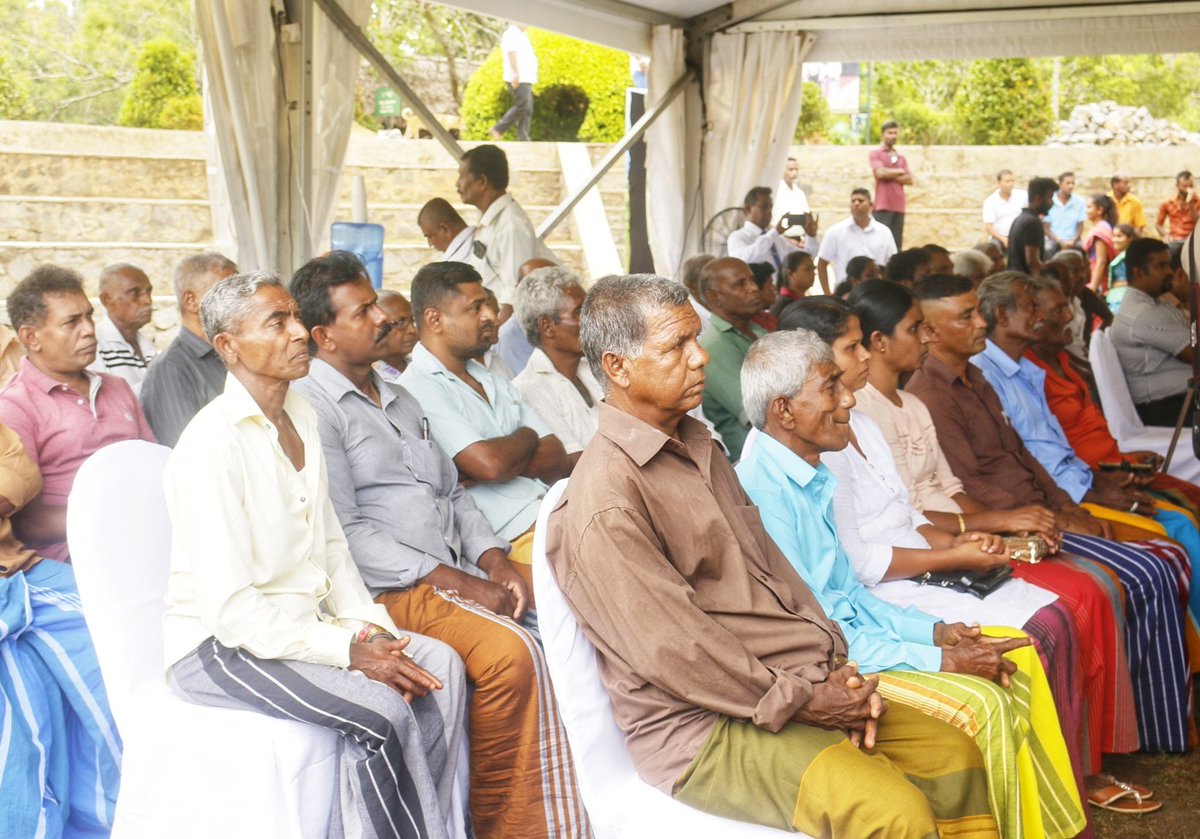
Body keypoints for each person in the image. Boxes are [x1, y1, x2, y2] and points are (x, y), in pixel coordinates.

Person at [548, 272, 999, 837]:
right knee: (889, 811)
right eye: (676, 347)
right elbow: (675, 652)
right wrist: (807, 699)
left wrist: (830, 665)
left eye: (696, 340)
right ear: (617, 366)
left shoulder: (699, 444)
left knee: (949, 753)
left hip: (786, 682)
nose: (700, 360)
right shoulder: (607, 499)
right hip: (703, 729)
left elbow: (774, 571)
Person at [737, 328, 1085, 839]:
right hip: (829, 668)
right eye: (831, 387)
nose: (850, 398)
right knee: (984, 704)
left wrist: (937, 632)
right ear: (784, 412)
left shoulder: (808, 473)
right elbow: (820, 636)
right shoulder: (764, 493)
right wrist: (940, 660)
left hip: (854, 641)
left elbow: (849, 597)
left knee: (1016, 667)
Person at [287, 253, 590, 839]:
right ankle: (509, 825)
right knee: (511, 655)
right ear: (323, 336)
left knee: (560, 632)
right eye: (364, 310)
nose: (381, 317)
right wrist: (455, 580)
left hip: (451, 570)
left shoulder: (399, 397)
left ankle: (564, 812)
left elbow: (454, 494)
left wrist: (495, 560)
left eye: (377, 303)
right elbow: (345, 531)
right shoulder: (314, 411)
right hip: (388, 591)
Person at [163, 270, 465, 839]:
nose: (300, 331)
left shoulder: (301, 413)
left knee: (440, 666)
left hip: (300, 627)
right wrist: (347, 651)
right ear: (227, 347)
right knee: (383, 711)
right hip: (220, 646)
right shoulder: (210, 447)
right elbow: (232, 611)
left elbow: (331, 547)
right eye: (277, 323)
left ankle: (431, 828)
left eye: (295, 317)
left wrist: (369, 630)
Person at [850, 278, 1156, 809]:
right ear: (879, 343)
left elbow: (945, 490)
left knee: (1074, 603)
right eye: (914, 328)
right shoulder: (864, 416)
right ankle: (1067, 775)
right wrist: (981, 535)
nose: (978, 326)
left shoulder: (898, 409)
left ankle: (1093, 755)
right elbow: (893, 531)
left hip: (936, 541)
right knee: (1061, 612)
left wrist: (987, 530)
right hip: (908, 566)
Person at [906, 274, 1195, 754]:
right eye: (967, 316)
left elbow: (1022, 452)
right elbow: (968, 485)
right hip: (1009, 521)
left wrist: (1063, 506)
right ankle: (1141, 728)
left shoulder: (974, 378)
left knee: (1161, 563)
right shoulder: (930, 394)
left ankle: (1155, 722)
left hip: (1038, 509)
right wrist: (1036, 519)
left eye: (980, 311)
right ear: (931, 333)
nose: (981, 324)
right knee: (1143, 571)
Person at [972, 271, 1200, 622]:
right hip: (1057, 499)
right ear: (1002, 315)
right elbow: (1027, 460)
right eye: (1032, 307)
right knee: (1168, 544)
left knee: (1178, 521)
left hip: (1077, 487)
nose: (1044, 317)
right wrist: (1083, 497)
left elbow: (1054, 453)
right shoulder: (987, 374)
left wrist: (1098, 482)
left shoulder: (1024, 369)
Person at [400, 262, 570, 564]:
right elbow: (490, 465)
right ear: (434, 319)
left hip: (554, 511)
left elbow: (555, 458)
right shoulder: (416, 388)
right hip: (509, 539)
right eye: (475, 308)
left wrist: (508, 453)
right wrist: (525, 439)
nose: (491, 316)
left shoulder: (490, 376)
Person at [0, 423, 123, 838]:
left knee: (118, 656)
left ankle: (124, 814)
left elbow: (19, 478)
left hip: (20, 571)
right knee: (23, 720)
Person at [0, 265, 155, 563]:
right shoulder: (14, 407)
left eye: (89, 316)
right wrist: (114, 517)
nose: (88, 329)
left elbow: (154, 461)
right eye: (71, 322)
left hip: (148, 533)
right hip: (77, 557)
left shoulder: (117, 387)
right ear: (31, 338)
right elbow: (25, 522)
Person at [140, 251, 237, 446]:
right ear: (191, 300)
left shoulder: (234, 352)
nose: (241, 301)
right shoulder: (170, 370)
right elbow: (187, 455)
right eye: (226, 293)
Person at [512, 267, 602, 464]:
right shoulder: (529, 390)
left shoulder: (598, 368)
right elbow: (577, 463)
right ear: (547, 326)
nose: (591, 319)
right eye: (579, 312)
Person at [457, 144, 555, 319]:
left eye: (462, 176)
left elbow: (515, 293)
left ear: (482, 182)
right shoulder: (492, 220)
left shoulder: (511, 224)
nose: (458, 184)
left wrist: (498, 336)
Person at [1111, 237, 1194, 427]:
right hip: (1166, 408)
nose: (1169, 272)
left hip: (1181, 400)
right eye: (1161, 266)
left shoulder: (1156, 303)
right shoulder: (1142, 314)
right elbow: (1195, 354)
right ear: (1138, 273)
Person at [698, 257, 767, 461]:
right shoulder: (714, 347)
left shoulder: (757, 330)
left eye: (752, 280)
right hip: (754, 461)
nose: (753, 288)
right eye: (740, 284)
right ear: (714, 297)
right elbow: (759, 417)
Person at [88, 262, 156, 395]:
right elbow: (107, 402)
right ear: (107, 300)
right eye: (134, 293)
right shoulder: (94, 346)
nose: (147, 300)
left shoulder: (148, 346)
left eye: (148, 292)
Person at [816, 188, 898, 294]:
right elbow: (822, 263)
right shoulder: (835, 231)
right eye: (853, 201)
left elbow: (891, 264)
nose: (856, 203)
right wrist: (827, 294)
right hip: (845, 292)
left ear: (871, 205)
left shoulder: (884, 232)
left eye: (860, 200)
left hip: (876, 292)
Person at [495, 258, 558, 376]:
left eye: (555, 283)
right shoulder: (508, 339)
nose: (549, 291)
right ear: (520, 290)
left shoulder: (566, 322)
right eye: (538, 285)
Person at [726, 186, 808, 267]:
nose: (769, 212)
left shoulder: (777, 239)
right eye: (764, 207)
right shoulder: (737, 237)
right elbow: (742, 260)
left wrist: (811, 237)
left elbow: (804, 257)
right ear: (748, 209)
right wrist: (774, 233)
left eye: (770, 207)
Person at [489, 23, 536, 141]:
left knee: (527, 108)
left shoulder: (522, 35)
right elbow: (512, 54)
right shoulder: (511, 34)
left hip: (526, 77)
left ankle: (523, 137)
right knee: (523, 105)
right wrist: (516, 74)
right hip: (518, 77)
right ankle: (498, 128)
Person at [870, 120, 912, 248]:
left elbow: (909, 179)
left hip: (899, 206)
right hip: (882, 205)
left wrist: (889, 174)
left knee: (896, 244)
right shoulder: (875, 154)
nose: (893, 136)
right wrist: (900, 171)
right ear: (882, 135)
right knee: (879, 242)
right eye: (889, 133)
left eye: (895, 133)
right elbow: (880, 174)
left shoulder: (901, 157)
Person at [1007, 177, 1055, 275]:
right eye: (1049, 197)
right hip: (1025, 283)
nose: (1052, 203)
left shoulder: (1019, 219)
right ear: (1038, 199)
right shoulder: (1033, 223)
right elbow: (1033, 262)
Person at [373, 289, 418, 381]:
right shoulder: (372, 378)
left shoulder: (418, 364)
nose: (412, 330)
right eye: (401, 322)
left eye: (412, 321)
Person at [982, 169, 1028, 251]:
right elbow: (988, 227)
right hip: (999, 238)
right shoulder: (991, 201)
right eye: (1007, 181)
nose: (1011, 184)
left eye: (1012, 181)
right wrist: (1003, 239)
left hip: (1020, 236)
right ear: (999, 183)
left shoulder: (1023, 196)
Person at [418, 197, 475, 262]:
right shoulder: (481, 239)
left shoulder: (459, 263)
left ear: (445, 229)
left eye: (430, 236)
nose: (430, 244)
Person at [1045, 171, 1085, 258]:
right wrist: (1059, 241)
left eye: (1073, 183)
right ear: (1059, 184)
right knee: (1046, 249)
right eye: (1068, 183)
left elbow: (1080, 226)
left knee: (1084, 249)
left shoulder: (1079, 202)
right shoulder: (1050, 200)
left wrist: (1073, 241)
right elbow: (1046, 228)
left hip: (1073, 240)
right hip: (1053, 240)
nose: (1071, 186)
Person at [1155, 170, 1200, 245]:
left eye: (1190, 186)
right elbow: (1159, 225)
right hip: (1174, 239)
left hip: (1193, 240)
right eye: (1185, 186)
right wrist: (1165, 235)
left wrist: (1191, 204)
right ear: (1177, 185)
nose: (1188, 189)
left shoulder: (1198, 201)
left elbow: (1198, 223)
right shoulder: (1167, 203)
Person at [1082, 194, 1116, 293]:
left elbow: (1101, 261)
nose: (1086, 210)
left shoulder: (1100, 230)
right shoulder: (1098, 227)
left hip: (1099, 280)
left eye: (1089, 207)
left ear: (1099, 210)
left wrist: (1094, 286)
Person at [769, 250, 816, 319]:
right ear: (791, 274)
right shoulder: (784, 307)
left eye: (814, 269)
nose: (813, 273)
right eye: (808, 269)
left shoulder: (799, 301)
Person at [1105, 224, 1139, 313]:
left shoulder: (1130, 257)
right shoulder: (1123, 255)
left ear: (1130, 238)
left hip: (1122, 299)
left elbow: (1134, 280)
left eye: (1119, 236)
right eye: (1113, 236)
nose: (1114, 240)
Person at [771, 156, 810, 229]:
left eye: (796, 169)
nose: (795, 173)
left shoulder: (800, 193)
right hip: (780, 237)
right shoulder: (776, 192)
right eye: (791, 169)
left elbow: (807, 215)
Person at [748, 261, 778, 332]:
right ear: (756, 288)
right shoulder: (753, 324)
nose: (774, 288)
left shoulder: (766, 317)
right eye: (770, 284)